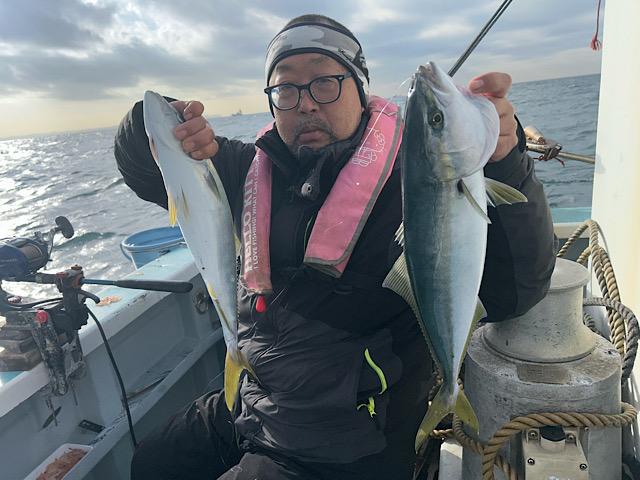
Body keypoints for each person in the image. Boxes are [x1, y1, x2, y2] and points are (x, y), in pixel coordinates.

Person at [114, 14, 556, 480]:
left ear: (360, 88)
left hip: (351, 439)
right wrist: (165, 123)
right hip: (255, 400)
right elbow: (145, 172)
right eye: (286, 89)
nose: (305, 103)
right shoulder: (248, 170)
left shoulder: (417, 185)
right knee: (154, 460)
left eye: (325, 82)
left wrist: (504, 161)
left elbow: (514, 293)